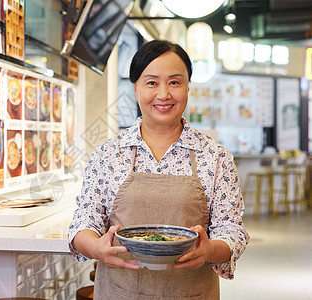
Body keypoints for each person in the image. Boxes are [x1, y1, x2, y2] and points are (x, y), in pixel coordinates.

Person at [68, 40, 250, 299]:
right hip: (120, 292)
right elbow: (84, 221)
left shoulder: (216, 157)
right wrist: (97, 248)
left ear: (188, 87)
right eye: (151, 82)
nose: (164, 94)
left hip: (192, 292)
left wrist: (209, 250)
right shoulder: (108, 155)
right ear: (135, 88)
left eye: (175, 82)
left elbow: (232, 231)